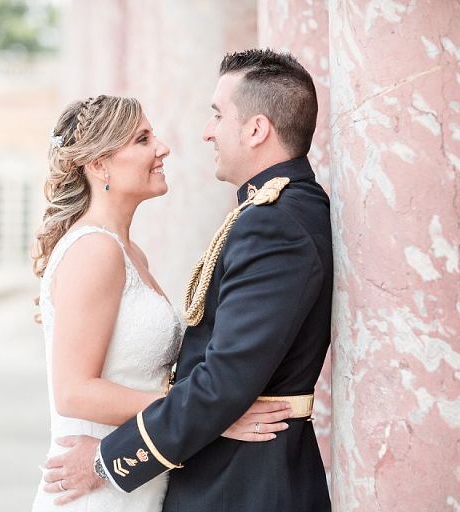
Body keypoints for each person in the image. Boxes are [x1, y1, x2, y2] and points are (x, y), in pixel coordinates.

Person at [41, 49, 333, 512]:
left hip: (240, 480)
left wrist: (107, 460)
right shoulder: (98, 249)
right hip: (121, 482)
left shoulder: (273, 219)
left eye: (217, 115)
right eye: (142, 139)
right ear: (98, 164)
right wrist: (216, 414)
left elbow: (223, 381)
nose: (195, 135)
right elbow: (77, 389)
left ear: (257, 129)